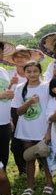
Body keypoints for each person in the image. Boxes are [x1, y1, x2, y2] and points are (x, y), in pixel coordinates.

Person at [12, 61, 53, 195]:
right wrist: (29, 102)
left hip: (43, 128)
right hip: (27, 129)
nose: (32, 74)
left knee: (45, 156)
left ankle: (49, 183)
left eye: (35, 71)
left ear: (40, 72)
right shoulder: (19, 88)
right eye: (29, 72)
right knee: (29, 157)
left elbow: (51, 107)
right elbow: (18, 111)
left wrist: (49, 130)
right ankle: (30, 186)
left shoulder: (46, 87)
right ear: (25, 73)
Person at [4, 45, 44, 175]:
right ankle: (23, 169)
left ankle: (43, 166)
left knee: (38, 138)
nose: (20, 59)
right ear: (13, 59)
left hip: (36, 112)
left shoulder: (36, 76)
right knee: (17, 143)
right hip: (13, 110)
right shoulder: (8, 74)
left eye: (24, 56)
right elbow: (6, 94)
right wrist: (11, 83)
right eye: (18, 56)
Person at [0, 41, 16, 171]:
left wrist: (10, 118)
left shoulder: (3, 71)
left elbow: (6, 93)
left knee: (3, 154)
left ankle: (2, 183)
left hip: (4, 121)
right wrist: (2, 95)